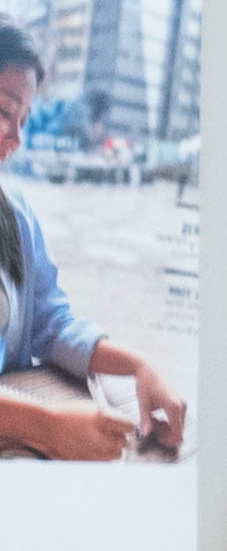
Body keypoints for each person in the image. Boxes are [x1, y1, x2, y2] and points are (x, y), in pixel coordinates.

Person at [0, 24, 187, 460]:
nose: (18, 138)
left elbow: (51, 324)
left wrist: (140, 367)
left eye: (24, 120)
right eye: (5, 112)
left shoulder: (15, 214)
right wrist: (45, 425)